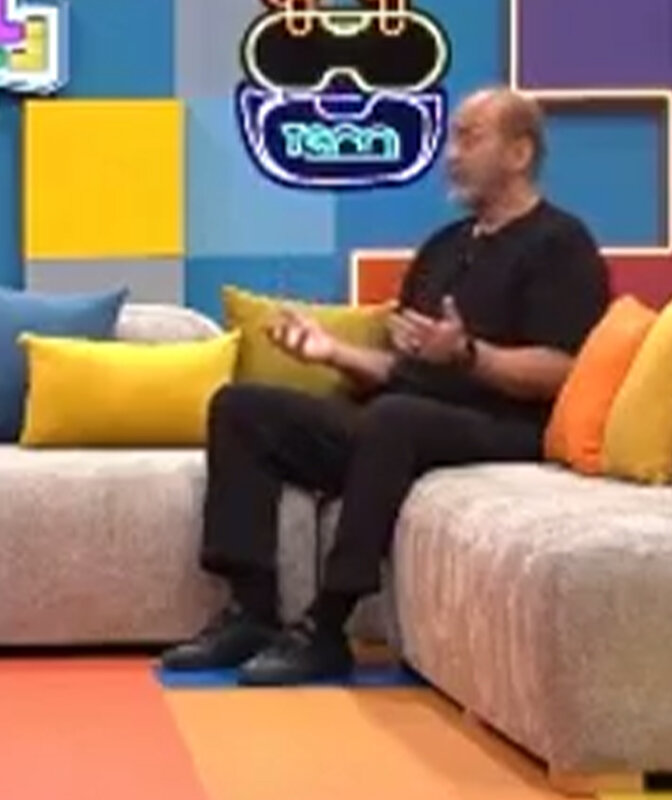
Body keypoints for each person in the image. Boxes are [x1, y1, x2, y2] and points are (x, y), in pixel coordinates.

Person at [160, 87, 611, 685]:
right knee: (241, 408)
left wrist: (467, 355)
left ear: (519, 152)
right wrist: (334, 353)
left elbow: (564, 369)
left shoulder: (561, 244)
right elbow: (401, 368)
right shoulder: (444, 248)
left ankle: (327, 626)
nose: (451, 154)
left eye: (469, 138)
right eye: (452, 139)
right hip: (402, 420)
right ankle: (251, 612)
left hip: (505, 427)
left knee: (394, 417)